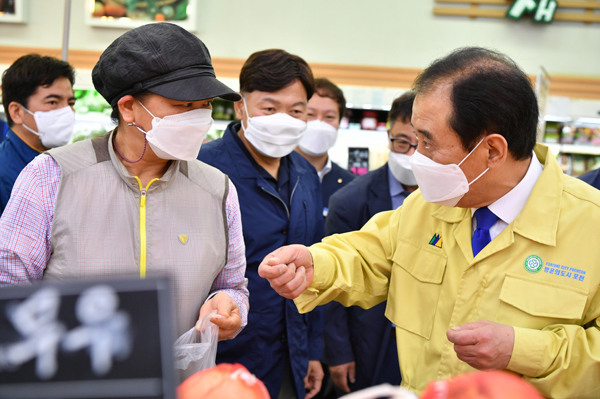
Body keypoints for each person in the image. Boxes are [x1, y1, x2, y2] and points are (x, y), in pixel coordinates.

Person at [258, 47, 600, 398]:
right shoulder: (430, 205)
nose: (416, 157)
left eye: (428, 143)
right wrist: (316, 264)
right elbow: (369, 255)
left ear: (492, 151)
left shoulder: (591, 225)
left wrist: (525, 350)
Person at [0, 23, 249, 342]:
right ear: (129, 107)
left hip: (181, 385)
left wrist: (231, 307)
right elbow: (8, 288)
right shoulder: (52, 176)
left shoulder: (218, 190)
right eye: (184, 105)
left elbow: (232, 287)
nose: (200, 117)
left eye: (206, 104)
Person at [198, 49, 325, 399]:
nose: (283, 118)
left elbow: (315, 262)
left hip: (290, 349)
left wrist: (312, 349)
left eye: (296, 111)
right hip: (226, 352)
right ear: (241, 107)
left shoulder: (305, 174)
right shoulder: (202, 170)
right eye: (269, 108)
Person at [323, 91, 417, 395]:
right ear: (388, 136)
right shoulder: (351, 200)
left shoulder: (452, 198)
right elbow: (336, 280)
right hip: (369, 337)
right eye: (401, 142)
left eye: (422, 144)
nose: (410, 153)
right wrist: (338, 353)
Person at [0, 54, 76, 215]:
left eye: (70, 103)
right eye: (53, 102)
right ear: (17, 112)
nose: (67, 112)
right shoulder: (4, 173)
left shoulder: (60, 166)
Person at [295, 78, 355, 218]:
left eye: (329, 117)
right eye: (310, 114)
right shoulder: (274, 175)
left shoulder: (351, 186)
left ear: (339, 123)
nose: (319, 123)